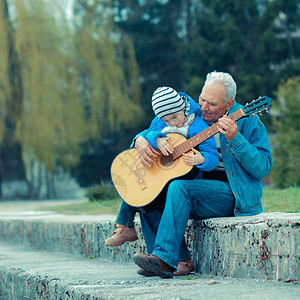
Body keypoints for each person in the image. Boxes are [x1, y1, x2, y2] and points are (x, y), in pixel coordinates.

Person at [132, 71, 273, 278]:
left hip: (234, 194)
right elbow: (156, 126)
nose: (204, 107)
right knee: (149, 195)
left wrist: (236, 139)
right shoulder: (191, 113)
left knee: (179, 188)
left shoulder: (247, 121)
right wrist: (140, 140)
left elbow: (263, 167)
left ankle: (163, 258)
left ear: (229, 103)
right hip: (196, 189)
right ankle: (171, 260)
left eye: (212, 104)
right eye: (202, 99)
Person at [105, 86, 219, 276]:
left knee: (150, 198)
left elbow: (212, 158)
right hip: (161, 175)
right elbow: (148, 133)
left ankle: (129, 229)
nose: (171, 123)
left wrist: (202, 160)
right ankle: (140, 244)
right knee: (144, 195)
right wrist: (157, 139)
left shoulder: (198, 127)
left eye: (174, 117)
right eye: (166, 120)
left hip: (185, 183)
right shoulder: (161, 122)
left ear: (183, 108)